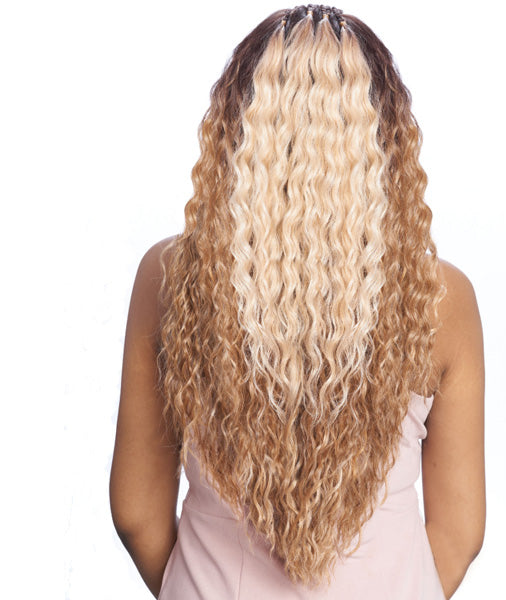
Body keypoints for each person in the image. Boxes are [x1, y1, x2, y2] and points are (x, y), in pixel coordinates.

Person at [109, 5, 485, 599]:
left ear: (237, 129)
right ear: (384, 138)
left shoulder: (170, 279)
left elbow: (136, 509)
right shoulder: (440, 298)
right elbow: (460, 532)